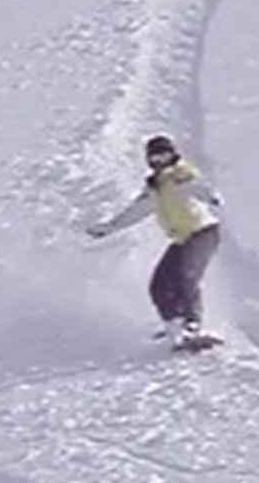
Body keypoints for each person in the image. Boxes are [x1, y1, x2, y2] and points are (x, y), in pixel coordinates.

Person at [86, 135, 223, 346]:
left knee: (186, 274)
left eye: (165, 155)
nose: (161, 161)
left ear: (173, 154)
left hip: (203, 232)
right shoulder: (155, 187)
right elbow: (136, 211)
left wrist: (211, 196)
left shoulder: (181, 175)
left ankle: (192, 324)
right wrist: (108, 228)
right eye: (155, 157)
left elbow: (198, 186)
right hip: (181, 238)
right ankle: (173, 323)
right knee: (159, 284)